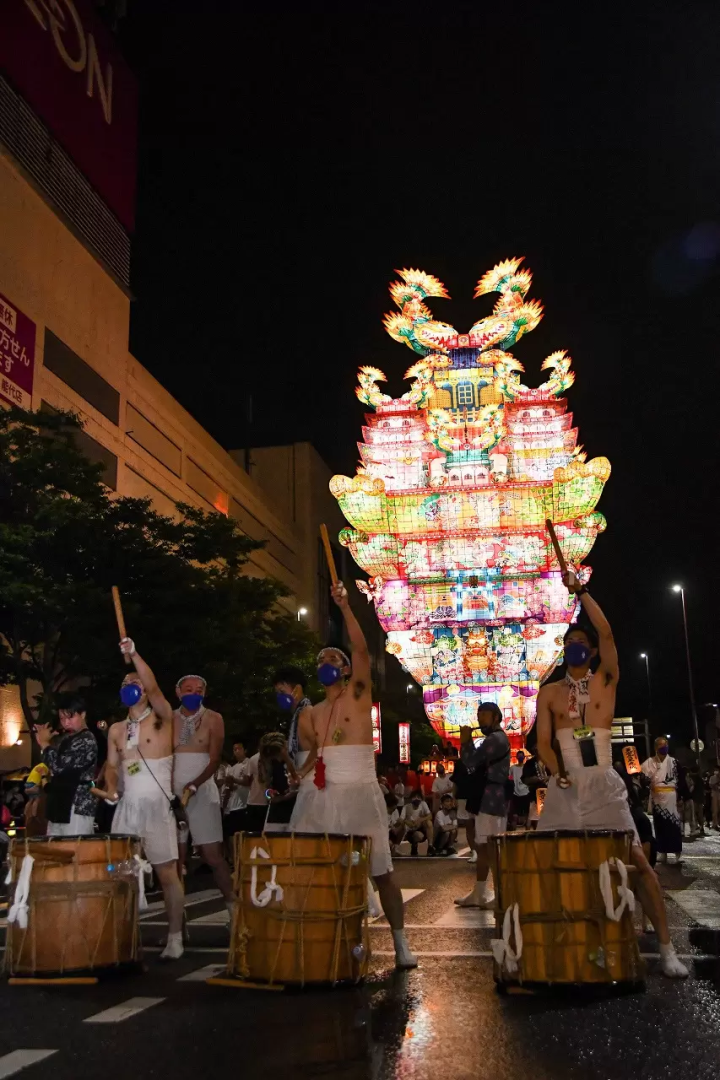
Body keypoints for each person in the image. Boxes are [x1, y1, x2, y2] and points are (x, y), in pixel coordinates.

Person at [535, 572, 688, 978]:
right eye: (569, 645)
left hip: (603, 779)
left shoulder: (605, 678)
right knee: (548, 862)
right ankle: (553, 945)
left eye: (581, 644)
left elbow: (606, 631)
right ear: (562, 650)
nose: (576, 649)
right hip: (566, 785)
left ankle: (668, 948)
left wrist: (581, 592)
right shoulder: (548, 692)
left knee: (638, 862)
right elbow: (543, 744)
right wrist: (557, 773)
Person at [291, 581, 417, 968]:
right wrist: (300, 776)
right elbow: (312, 754)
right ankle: (329, 941)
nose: (325, 665)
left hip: (360, 788)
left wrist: (345, 607)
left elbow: (361, 649)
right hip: (324, 792)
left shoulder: (359, 695)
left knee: (381, 870)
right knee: (323, 869)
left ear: (345, 669)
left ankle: (400, 944)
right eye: (320, 661)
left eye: (333, 659)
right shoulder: (310, 713)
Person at [109, 641, 185, 960]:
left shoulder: (161, 717)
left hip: (156, 805)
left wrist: (135, 653)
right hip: (128, 807)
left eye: (136, 682)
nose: (132, 686)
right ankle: (125, 936)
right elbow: (112, 767)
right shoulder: (116, 729)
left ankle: (175, 937)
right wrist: (112, 788)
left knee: (167, 871)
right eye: (126, 683)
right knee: (120, 873)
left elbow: (153, 686)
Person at [171, 673, 234, 904]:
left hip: (202, 790)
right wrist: (171, 791)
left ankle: (233, 909)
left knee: (212, 855)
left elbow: (214, 759)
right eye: (188, 689)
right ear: (178, 692)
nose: (193, 694)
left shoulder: (214, 718)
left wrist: (195, 783)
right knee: (176, 858)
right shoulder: (169, 719)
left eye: (199, 690)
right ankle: (178, 921)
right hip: (175, 796)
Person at [454, 703, 510, 907]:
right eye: (479, 715)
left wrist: (466, 741)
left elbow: (470, 760)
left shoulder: (496, 739)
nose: (480, 719)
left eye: (484, 715)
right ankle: (480, 892)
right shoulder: (495, 738)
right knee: (483, 847)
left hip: (491, 800)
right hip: (487, 798)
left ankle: (500, 894)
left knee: (491, 848)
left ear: (496, 717)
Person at [35, 694, 98, 837]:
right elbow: (54, 766)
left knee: (74, 850)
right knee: (55, 852)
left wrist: (45, 744)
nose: (66, 723)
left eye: (70, 717)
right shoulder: (67, 739)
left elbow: (58, 767)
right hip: (60, 804)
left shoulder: (87, 739)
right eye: (62, 718)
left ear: (82, 714)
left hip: (77, 805)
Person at [641, 738, 683, 863]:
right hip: (657, 799)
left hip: (671, 797)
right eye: (661, 745)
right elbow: (643, 778)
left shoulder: (674, 762)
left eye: (666, 745)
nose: (664, 747)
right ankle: (663, 852)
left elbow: (681, 781)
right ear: (656, 748)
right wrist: (648, 783)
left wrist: (681, 797)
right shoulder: (649, 762)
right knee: (660, 826)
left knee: (674, 825)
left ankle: (677, 851)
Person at [220, 741, 251, 854]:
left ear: (244, 750)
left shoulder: (248, 763)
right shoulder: (233, 768)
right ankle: (234, 859)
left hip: (243, 803)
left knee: (242, 834)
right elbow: (230, 787)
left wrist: (234, 780)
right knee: (230, 835)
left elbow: (248, 781)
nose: (237, 751)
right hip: (232, 805)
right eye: (234, 749)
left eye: (239, 749)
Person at [451, 753, 477, 863]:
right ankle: (474, 851)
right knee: (469, 826)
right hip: (462, 797)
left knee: (480, 825)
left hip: (477, 797)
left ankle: (483, 851)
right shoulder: (459, 763)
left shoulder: (479, 760)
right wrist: (454, 797)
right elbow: (455, 782)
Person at [400, 791, 433, 856]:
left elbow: (430, 816)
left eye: (418, 797)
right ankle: (414, 845)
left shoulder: (423, 804)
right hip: (411, 830)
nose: (416, 799)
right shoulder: (406, 807)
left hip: (421, 828)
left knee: (429, 823)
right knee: (418, 836)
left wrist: (420, 820)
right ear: (411, 798)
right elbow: (401, 819)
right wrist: (408, 822)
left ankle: (430, 846)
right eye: (414, 797)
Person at [23, 761, 49, 837]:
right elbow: (44, 776)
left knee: (30, 800)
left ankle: (25, 813)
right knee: (37, 799)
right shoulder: (44, 767)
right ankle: (34, 815)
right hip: (33, 784)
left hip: (28, 783)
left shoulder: (37, 766)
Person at [509, 750, 531, 828]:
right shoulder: (512, 768)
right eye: (519, 756)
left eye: (522, 756)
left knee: (528, 816)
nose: (520, 757)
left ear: (524, 757)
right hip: (516, 794)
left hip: (526, 793)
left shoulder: (527, 768)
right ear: (517, 757)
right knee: (515, 816)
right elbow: (509, 778)